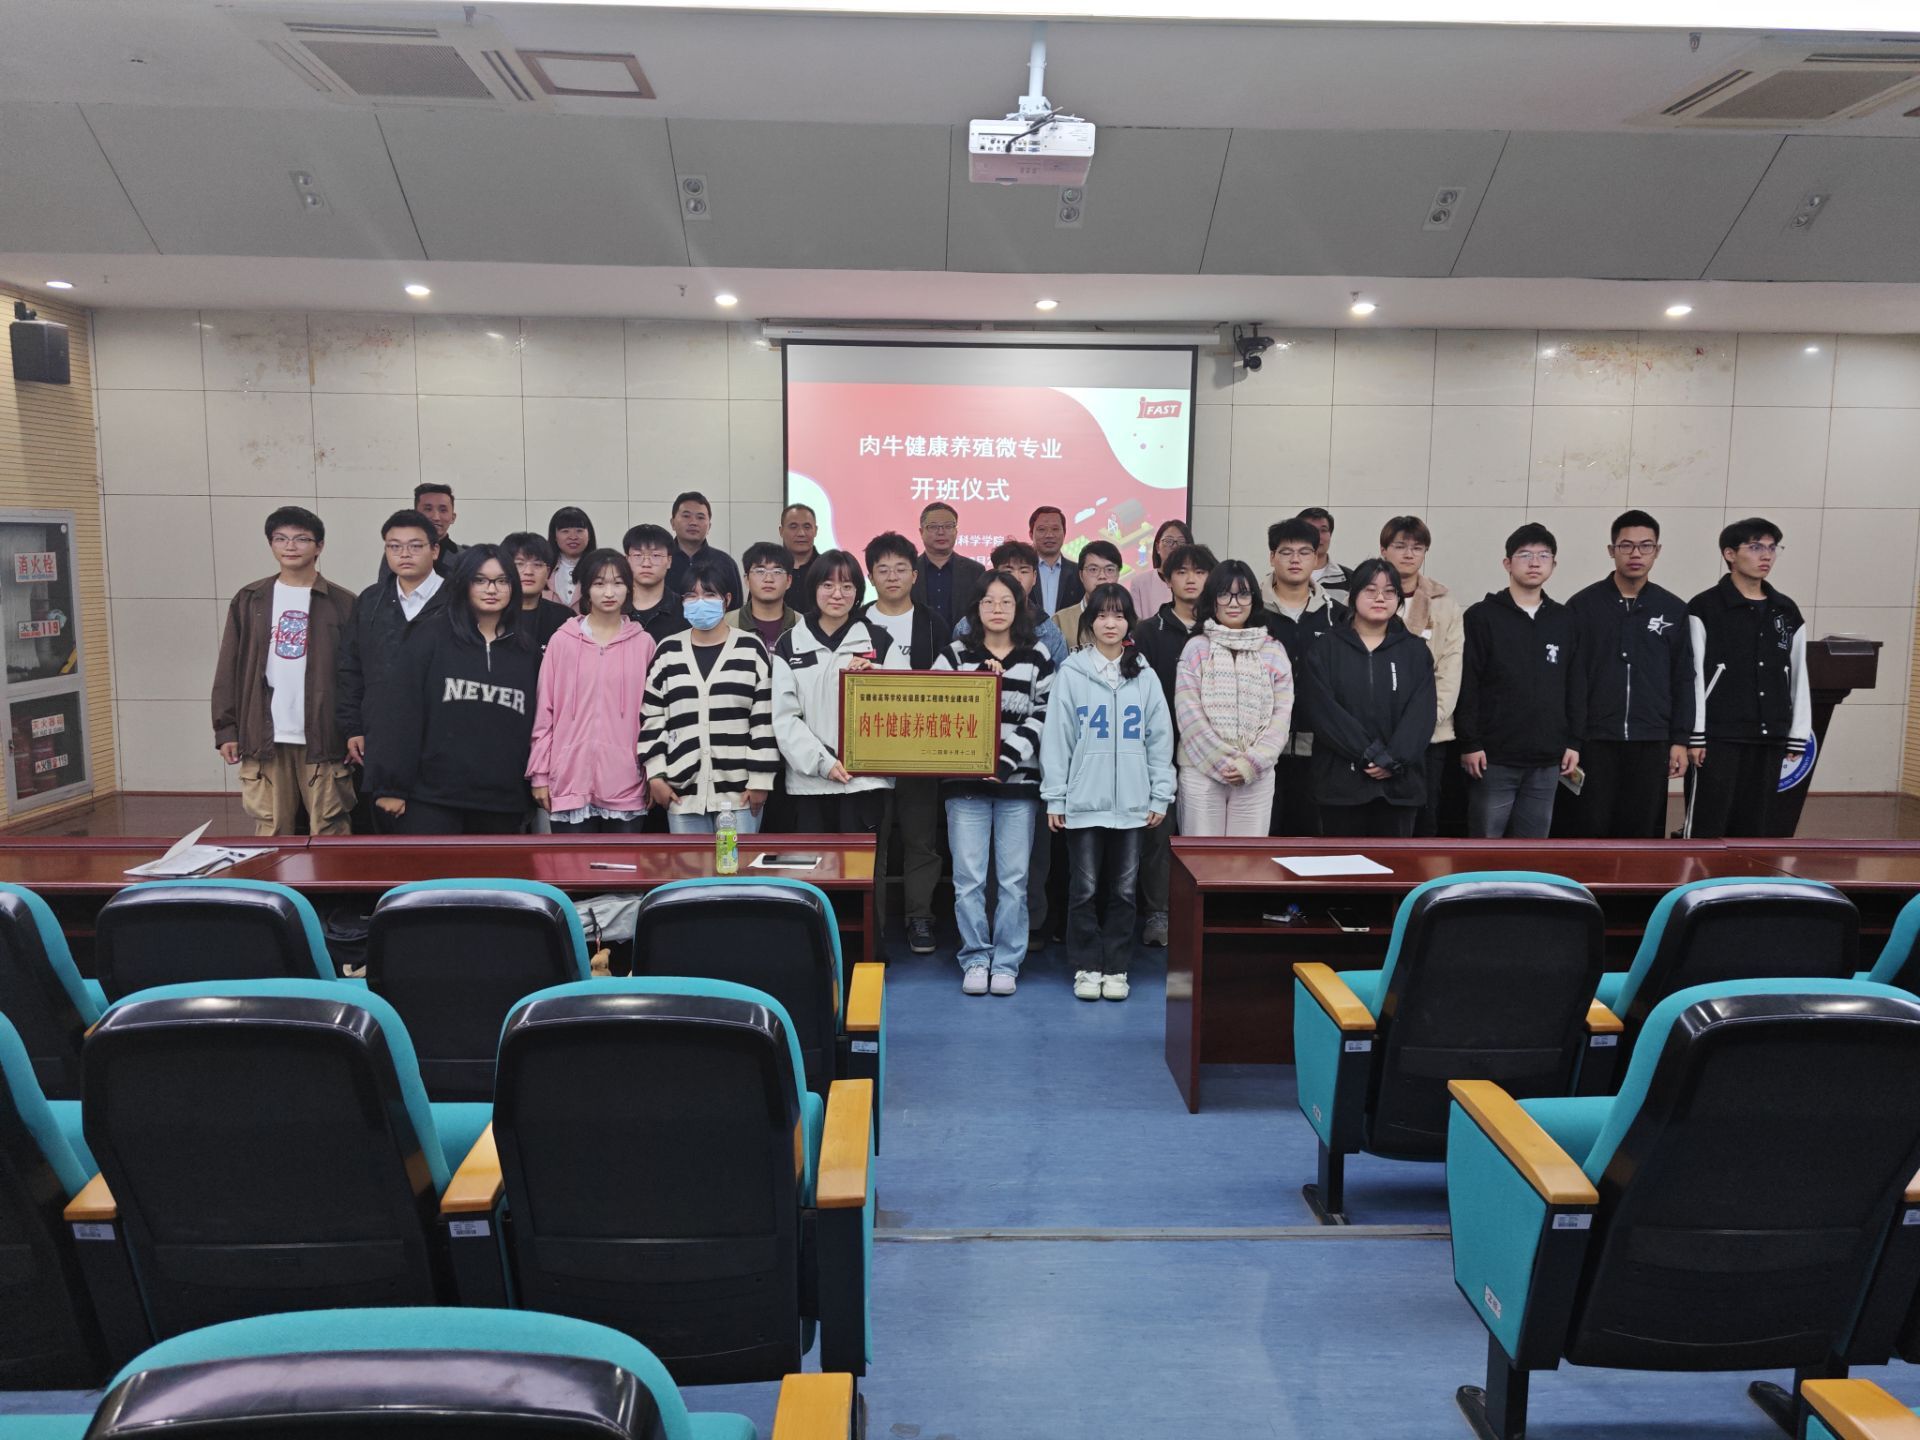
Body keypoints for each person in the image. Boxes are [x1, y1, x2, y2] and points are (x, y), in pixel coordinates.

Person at [1041, 584, 1175, 1004]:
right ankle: (1086, 966)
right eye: (1102, 615)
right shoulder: (1072, 674)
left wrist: (1159, 794)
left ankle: (1116, 967)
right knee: (1082, 890)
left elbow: (1160, 738)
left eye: (1118, 615)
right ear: (1090, 623)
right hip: (1083, 802)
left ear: (1129, 622)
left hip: (1133, 805)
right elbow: (1058, 738)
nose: (1110, 623)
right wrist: (1056, 796)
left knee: (1124, 891)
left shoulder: (1145, 675)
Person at [933, 570, 1053, 995]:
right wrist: (980, 684)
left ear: (1019, 607)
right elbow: (934, 707)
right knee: (968, 879)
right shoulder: (954, 654)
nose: (997, 609)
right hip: (963, 784)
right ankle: (975, 957)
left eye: (1006, 601)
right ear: (976, 608)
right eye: (988, 601)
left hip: (1018, 784)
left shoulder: (1037, 654)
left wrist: (1004, 761)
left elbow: (1043, 714)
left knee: (1013, 881)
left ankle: (1006, 962)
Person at [371, 545, 540, 835]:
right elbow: (399, 713)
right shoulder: (430, 636)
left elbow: (539, 726)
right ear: (463, 584)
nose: (492, 589)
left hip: (502, 803)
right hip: (431, 799)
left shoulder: (527, 651)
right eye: (480, 580)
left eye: (502, 581)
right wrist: (391, 786)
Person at [212, 505, 357, 836]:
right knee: (271, 829)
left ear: (319, 546)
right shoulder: (250, 600)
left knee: (330, 827)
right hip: (264, 735)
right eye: (281, 538)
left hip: (324, 735)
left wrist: (354, 729)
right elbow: (228, 668)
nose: (290, 546)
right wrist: (226, 729)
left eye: (301, 539)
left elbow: (355, 674)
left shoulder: (343, 603)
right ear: (271, 544)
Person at [1563, 510, 1696, 839]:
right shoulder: (1582, 606)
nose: (1636, 554)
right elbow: (1570, 678)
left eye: (1645, 546)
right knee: (1589, 828)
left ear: (1657, 551)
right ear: (1612, 550)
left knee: (1641, 833)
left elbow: (1683, 678)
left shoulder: (1673, 609)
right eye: (1626, 546)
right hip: (1594, 740)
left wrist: (1680, 739)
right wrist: (1571, 739)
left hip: (1651, 740)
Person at [1684, 517, 1810, 839]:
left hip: (1770, 736)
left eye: (1772, 548)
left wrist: (1797, 733)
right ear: (1729, 554)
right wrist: (1695, 734)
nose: (1766, 555)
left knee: (1757, 829)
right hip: (1718, 737)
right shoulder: (1705, 607)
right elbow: (1693, 676)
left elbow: (1798, 674)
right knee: (1708, 827)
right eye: (1755, 547)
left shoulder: (1786, 610)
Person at [1457, 524, 1584, 839]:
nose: (1534, 562)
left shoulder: (1564, 619)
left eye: (1544, 555)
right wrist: (1470, 743)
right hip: (1493, 758)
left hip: (1548, 758)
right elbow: (1468, 683)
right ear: (1507, 563)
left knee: (1533, 850)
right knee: (1485, 846)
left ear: (1554, 564)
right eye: (1525, 555)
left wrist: (1574, 741)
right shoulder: (1481, 617)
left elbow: (1575, 684)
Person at [641, 553, 779, 835]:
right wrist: (655, 775)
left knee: (736, 865)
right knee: (689, 866)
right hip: (682, 795)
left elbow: (763, 718)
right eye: (691, 596)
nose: (700, 601)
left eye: (709, 594)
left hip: (740, 795)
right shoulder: (668, 651)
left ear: (726, 599)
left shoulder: (750, 648)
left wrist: (761, 780)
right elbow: (652, 716)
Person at [859, 532, 951, 953]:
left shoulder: (933, 623)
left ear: (915, 575)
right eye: (883, 569)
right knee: (871, 845)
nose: (892, 576)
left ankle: (920, 919)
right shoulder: (856, 623)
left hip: (920, 753)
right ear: (870, 577)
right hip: (867, 755)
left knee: (921, 842)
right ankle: (871, 924)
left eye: (900, 569)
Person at [1299, 559, 1436, 837]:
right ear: (1353, 596)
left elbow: (1421, 715)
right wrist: (1370, 755)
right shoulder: (1326, 648)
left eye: (1389, 591)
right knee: (1341, 863)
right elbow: (1324, 712)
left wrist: (1393, 759)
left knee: (1393, 863)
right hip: (1340, 786)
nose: (1380, 598)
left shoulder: (1415, 651)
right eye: (1370, 590)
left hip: (1398, 787)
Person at [772, 550, 902, 833]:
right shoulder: (789, 643)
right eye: (827, 585)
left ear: (857, 593)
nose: (837, 594)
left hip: (865, 783)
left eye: (847, 586)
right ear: (814, 588)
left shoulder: (880, 642)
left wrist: (877, 680)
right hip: (809, 785)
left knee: (861, 862)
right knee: (813, 861)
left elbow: (902, 709)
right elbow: (785, 718)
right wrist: (823, 763)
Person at [526, 550, 655, 834]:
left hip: (627, 783)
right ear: (585, 589)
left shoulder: (644, 644)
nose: (609, 592)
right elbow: (544, 711)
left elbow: (653, 716)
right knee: (571, 863)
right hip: (568, 781)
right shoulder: (562, 641)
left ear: (629, 588)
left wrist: (652, 773)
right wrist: (540, 774)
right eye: (599, 583)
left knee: (625, 863)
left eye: (618, 583)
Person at [338, 509, 444, 831]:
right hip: (380, 735)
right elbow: (350, 668)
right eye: (394, 546)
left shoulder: (457, 601)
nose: (404, 554)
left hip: (442, 736)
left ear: (435, 550)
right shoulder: (371, 600)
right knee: (385, 836)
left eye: (415, 546)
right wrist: (353, 728)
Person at [1174, 561, 1295, 837]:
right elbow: (1188, 713)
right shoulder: (1196, 648)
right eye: (1224, 594)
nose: (1234, 603)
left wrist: (1250, 764)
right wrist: (1224, 761)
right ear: (1211, 599)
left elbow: (1281, 717)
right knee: (1202, 858)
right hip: (1201, 769)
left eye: (1242, 594)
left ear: (1254, 599)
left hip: (1256, 773)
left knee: (1246, 859)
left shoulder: (1273, 651)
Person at [1133, 542, 1216, 945]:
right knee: (1159, 836)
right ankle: (1159, 913)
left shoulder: (1220, 630)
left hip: (1211, 751)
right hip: (1160, 750)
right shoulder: (1148, 631)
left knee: (1205, 836)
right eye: (1181, 572)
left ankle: (1204, 909)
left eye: (1199, 572)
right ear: (1166, 579)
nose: (1190, 580)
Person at [1379, 516, 1464, 837]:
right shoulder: (1364, 598)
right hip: (1377, 736)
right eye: (1400, 546)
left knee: (1423, 822)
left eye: (1417, 547)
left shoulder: (1445, 604)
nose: (1408, 554)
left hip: (1430, 733)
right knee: (1378, 821)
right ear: (1384, 550)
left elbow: (1450, 671)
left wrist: (1422, 723)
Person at [1262, 518, 1344, 836]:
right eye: (1286, 552)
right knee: (1263, 841)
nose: (1295, 560)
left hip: (1320, 752)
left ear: (1316, 557)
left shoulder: (1337, 616)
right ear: (1272, 557)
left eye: (1304, 552)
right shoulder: (1252, 613)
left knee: (1312, 842)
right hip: (1263, 752)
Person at [954, 540, 1069, 668]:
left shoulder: (1049, 632)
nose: (1016, 578)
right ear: (994, 575)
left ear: (1034, 577)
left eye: (1024, 571)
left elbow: (1060, 677)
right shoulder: (967, 626)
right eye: (1008, 571)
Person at [910, 502, 985, 628]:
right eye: (933, 527)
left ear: (956, 531)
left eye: (948, 526)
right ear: (921, 532)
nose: (941, 532)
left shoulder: (976, 571)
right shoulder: (909, 570)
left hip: (963, 640)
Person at [499, 533, 576, 652]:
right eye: (519, 564)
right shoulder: (492, 616)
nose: (528, 572)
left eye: (537, 564)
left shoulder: (565, 617)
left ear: (548, 573)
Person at [665, 491, 741, 605]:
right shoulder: (661, 560)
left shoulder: (725, 563)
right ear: (672, 523)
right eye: (686, 516)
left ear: (709, 526)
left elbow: (735, 608)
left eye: (700, 517)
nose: (693, 522)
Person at [623, 523, 688, 642]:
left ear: (669, 561)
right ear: (627, 560)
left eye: (656, 555)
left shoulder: (686, 610)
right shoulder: (615, 608)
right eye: (638, 555)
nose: (646, 564)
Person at [1052, 541, 1123, 649]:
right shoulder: (1060, 621)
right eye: (1093, 569)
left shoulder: (1132, 621)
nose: (1102, 576)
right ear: (1081, 575)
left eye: (1109, 570)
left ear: (1118, 574)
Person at [1128, 518, 1194, 619]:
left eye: (1181, 542)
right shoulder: (1140, 583)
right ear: (1157, 547)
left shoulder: (1196, 582)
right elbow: (1136, 623)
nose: (1174, 546)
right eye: (1168, 541)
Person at [737, 541, 800, 648]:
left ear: (789, 581)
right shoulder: (728, 623)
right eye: (760, 571)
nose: (768, 579)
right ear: (747, 580)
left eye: (777, 571)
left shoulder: (803, 625)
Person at [1029, 505, 1083, 615]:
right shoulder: (1023, 572)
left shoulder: (1079, 572)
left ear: (1064, 533)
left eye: (1055, 529)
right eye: (1042, 529)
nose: (1049, 535)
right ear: (1031, 534)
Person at [544, 506, 596, 609]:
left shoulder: (600, 568)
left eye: (579, 531)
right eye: (565, 531)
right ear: (554, 536)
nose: (573, 537)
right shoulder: (543, 567)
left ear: (589, 535)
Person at [1297, 507, 1350, 601]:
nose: (1318, 536)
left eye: (1323, 530)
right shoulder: (1280, 578)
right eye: (1310, 530)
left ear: (1330, 535)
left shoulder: (1349, 578)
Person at [779, 503, 822, 608]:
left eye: (807, 527)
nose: (801, 533)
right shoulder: (769, 571)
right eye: (793, 527)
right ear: (781, 531)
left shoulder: (827, 569)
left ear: (815, 530)